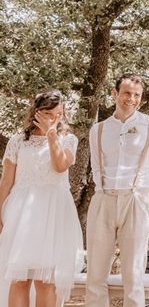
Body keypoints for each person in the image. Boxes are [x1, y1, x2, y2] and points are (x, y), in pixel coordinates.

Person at [86, 73, 149, 307]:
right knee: (95, 276)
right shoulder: (98, 130)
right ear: (115, 93)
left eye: (136, 95)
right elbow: (95, 169)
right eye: (126, 93)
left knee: (133, 275)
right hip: (103, 199)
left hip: (136, 200)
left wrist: (145, 205)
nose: (131, 99)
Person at [0, 90, 83, 307]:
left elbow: (60, 166)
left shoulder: (69, 139)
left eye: (59, 114)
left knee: (45, 282)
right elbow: (6, 181)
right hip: (20, 213)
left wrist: (51, 134)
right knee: (19, 279)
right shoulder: (18, 141)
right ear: (37, 113)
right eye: (49, 114)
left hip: (53, 213)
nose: (55, 118)